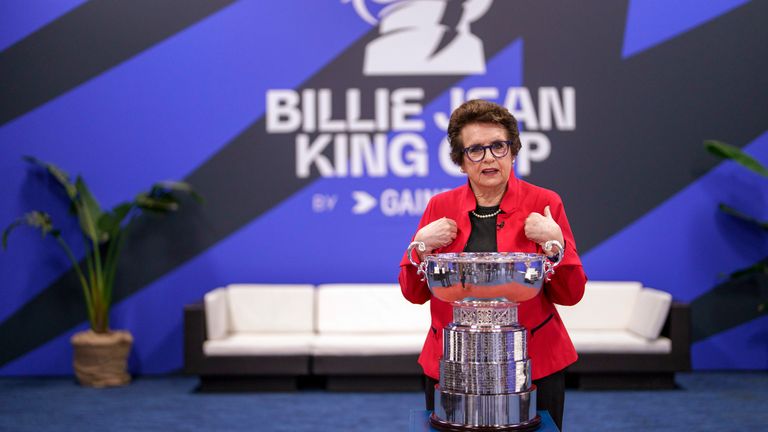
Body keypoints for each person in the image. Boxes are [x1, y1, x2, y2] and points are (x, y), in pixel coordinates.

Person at [398, 99, 587, 430]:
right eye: (475, 150)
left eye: (498, 146)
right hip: (453, 365)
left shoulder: (545, 203)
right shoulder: (439, 207)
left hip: (534, 365)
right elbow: (414, 294)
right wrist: (420, 247)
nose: (488, 158)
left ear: (513, 152)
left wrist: (556, 243)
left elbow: (571, 294)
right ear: (460, 161)